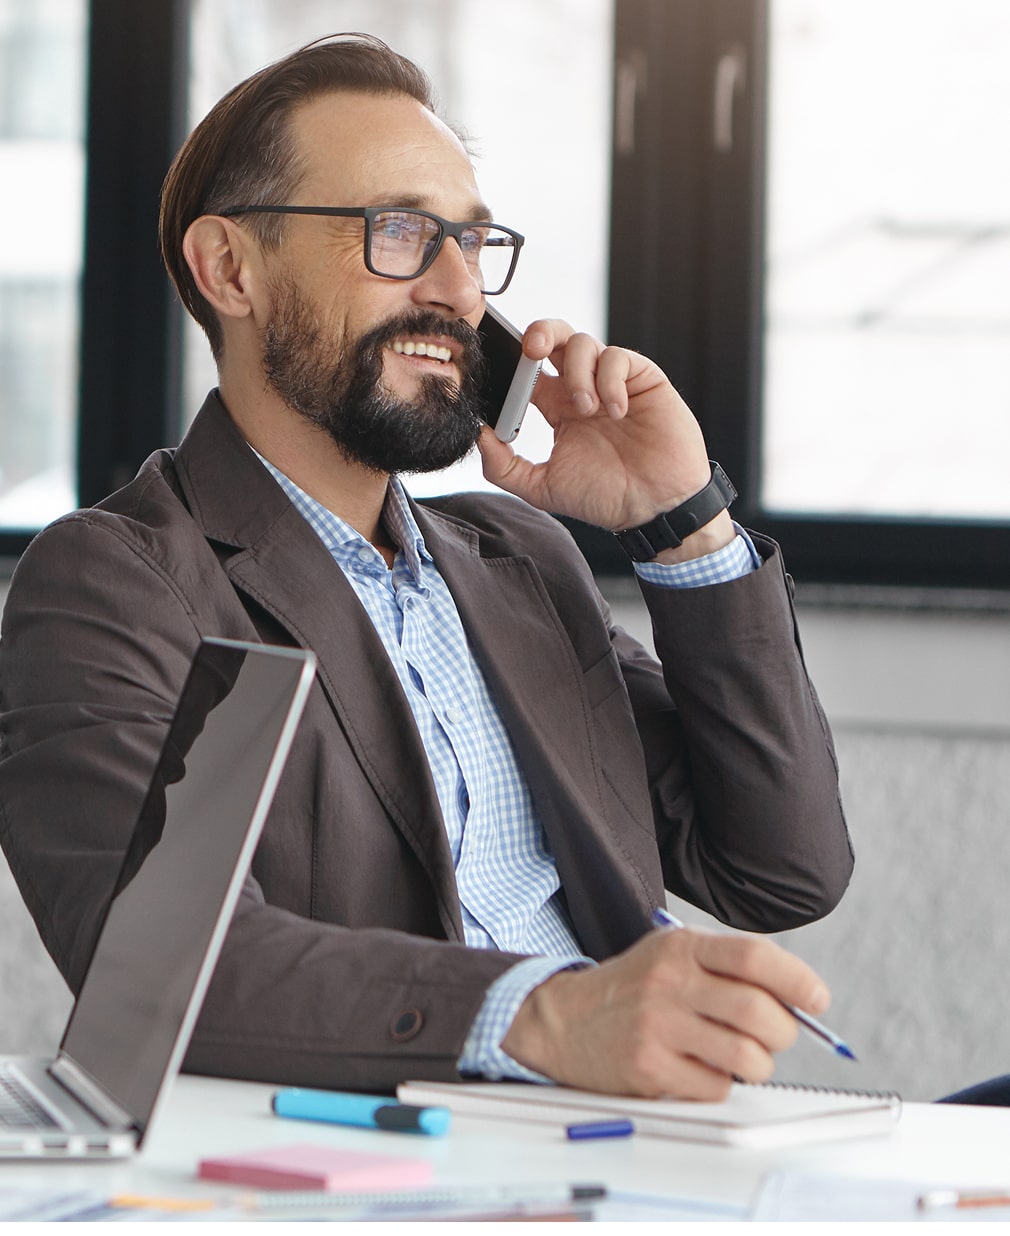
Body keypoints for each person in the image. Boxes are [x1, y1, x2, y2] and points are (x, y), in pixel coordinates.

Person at [0, 33, 853, 1100]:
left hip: (643, 1143)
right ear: (231, 269)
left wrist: (683, 527)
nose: (457, 288)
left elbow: (780, 869)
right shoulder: (120, 584)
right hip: (413, 1162)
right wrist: (541, 1014)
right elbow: (163, 966)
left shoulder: (519, 563)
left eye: (473, 240)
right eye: (401, 231)